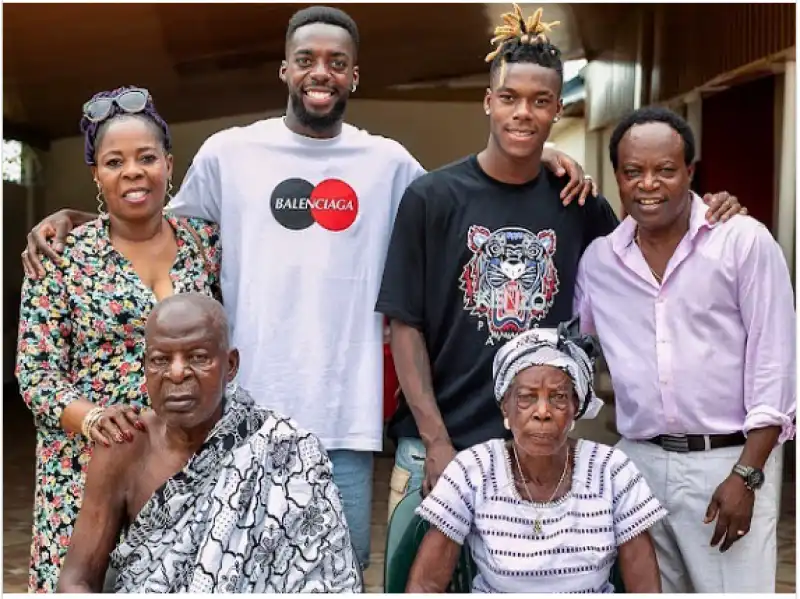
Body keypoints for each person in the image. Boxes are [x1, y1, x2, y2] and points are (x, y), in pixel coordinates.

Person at [19, 6, 597, 568]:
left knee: (336, 572)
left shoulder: (389, 163)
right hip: (235, 421)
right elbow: (152, 223)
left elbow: (468, 197)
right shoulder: (229, 154)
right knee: (235, 572)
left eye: (336, 61)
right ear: (285, 70)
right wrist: (72, 218)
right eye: (306, 59)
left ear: (354, 75)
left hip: (344, 424)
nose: (321, 72)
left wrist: (535, 150)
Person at [376, 3, 745, 516]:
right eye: (509, 98)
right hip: (441, 448)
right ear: (488, 102)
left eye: (540, 100)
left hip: (545, 450)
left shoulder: (577, 202)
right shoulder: (431, 198)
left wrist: (709, 211)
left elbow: (646, 270)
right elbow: (405, 325)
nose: (522, 112)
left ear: (556, 109)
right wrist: (436, 440)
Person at [574, 106, 796, 593]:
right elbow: (574, 351)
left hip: (728, 460)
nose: (648, 184)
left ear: (690, 173)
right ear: (616, 176)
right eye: (633, 172)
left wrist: (748, 474)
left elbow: (776, 367)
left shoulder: (742, 243)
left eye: (665, 170)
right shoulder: (599, 262)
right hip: (639, 465)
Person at [15, 87, 220, 593]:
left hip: (181, 463)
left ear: (169, 166)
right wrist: (95, 419)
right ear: (96, 175)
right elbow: (34, 373)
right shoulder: (59, 257)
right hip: (83, 471)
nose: (133, 171)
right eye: (115, 161)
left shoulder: (205, 244)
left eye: (146, 157)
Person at [57, 294, 362, 593]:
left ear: (230, 365)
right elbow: (76, 580)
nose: (176, 373)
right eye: (161, 360)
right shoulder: (125, 446)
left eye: (198, 357)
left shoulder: (286, 450)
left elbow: (327, 581)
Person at [406, 322, 665, 593]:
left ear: (576, 408)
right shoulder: (473, 470)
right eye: (527, 398)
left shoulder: (612, 470)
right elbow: (425, 585)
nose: (543, 411)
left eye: (558, 398)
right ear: (505, 405)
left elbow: (645, 589)